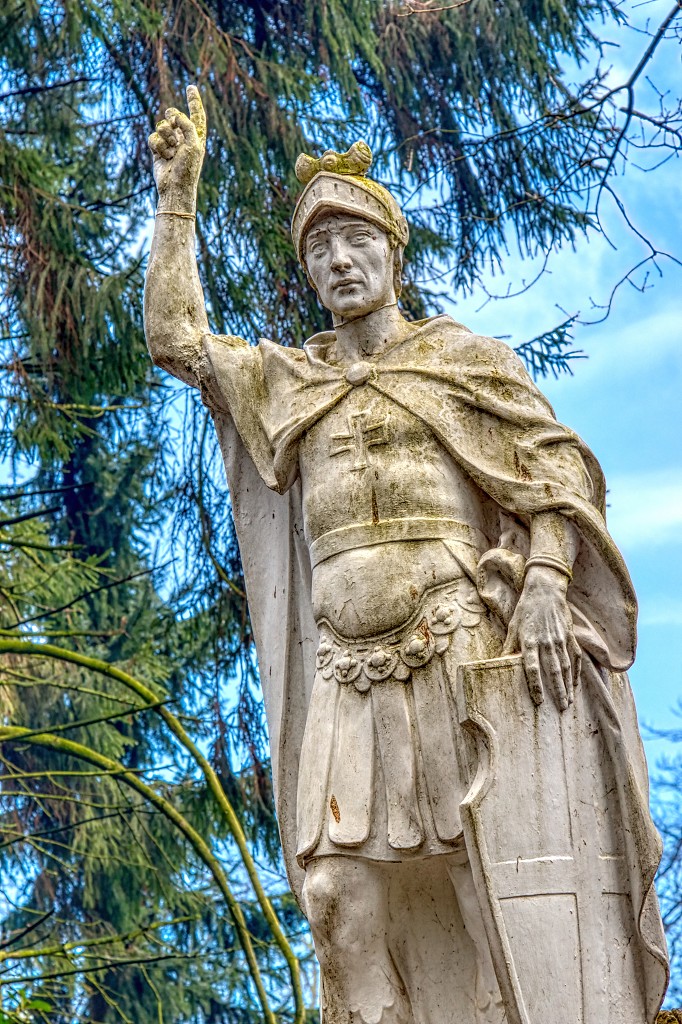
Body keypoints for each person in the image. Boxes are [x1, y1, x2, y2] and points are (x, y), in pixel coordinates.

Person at [144, 86, 668, 1024]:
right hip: (346, 671)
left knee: (487, 890)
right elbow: (176, 340)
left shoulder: (464, 362)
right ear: (306, 270)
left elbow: (559, 479)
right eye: (317, 249)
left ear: (395, 252)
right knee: (335, 897)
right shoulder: (287, 382)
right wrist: (178, 200)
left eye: (357, 242)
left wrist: (547, 575)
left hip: (456, 649)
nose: (339, 261)